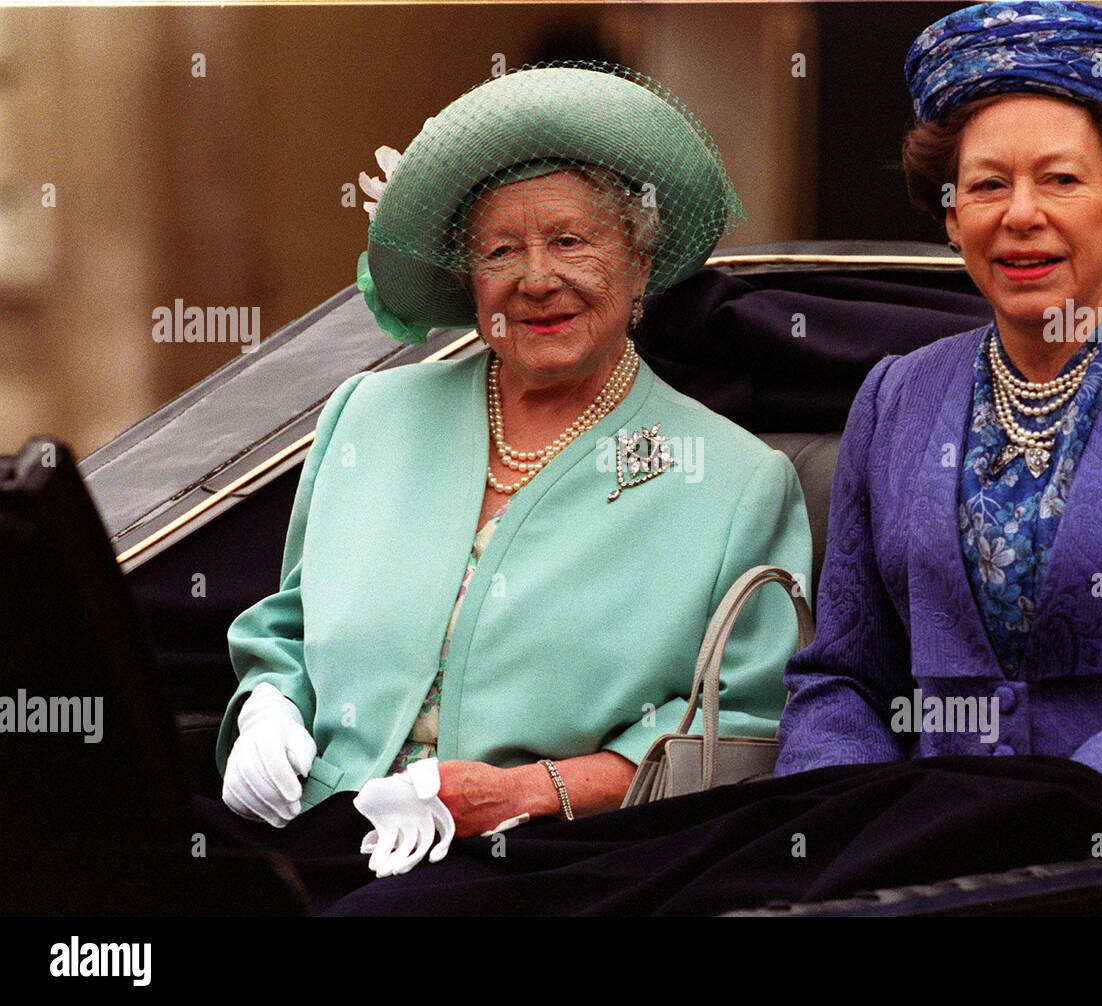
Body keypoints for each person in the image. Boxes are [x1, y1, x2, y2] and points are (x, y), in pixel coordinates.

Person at [212, 62, 811, 877]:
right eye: (502, 250)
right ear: (471, 281)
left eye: (570, 241)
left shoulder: (735, 479)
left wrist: (526, 793)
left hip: (539, 858)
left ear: (639, 266)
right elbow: (290, 621)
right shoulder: (370, 416)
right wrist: (268, 706)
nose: (537, 279)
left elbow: (741, 726)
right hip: (317, 828)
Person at [776, 1, 1102, 818]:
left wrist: (1057, 810)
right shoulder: (894, 395)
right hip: (901, 844)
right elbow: (843, 677)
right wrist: (852, 812)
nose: (1021, 214)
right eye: (988, 185)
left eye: (1060, 179)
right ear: (953, 216)